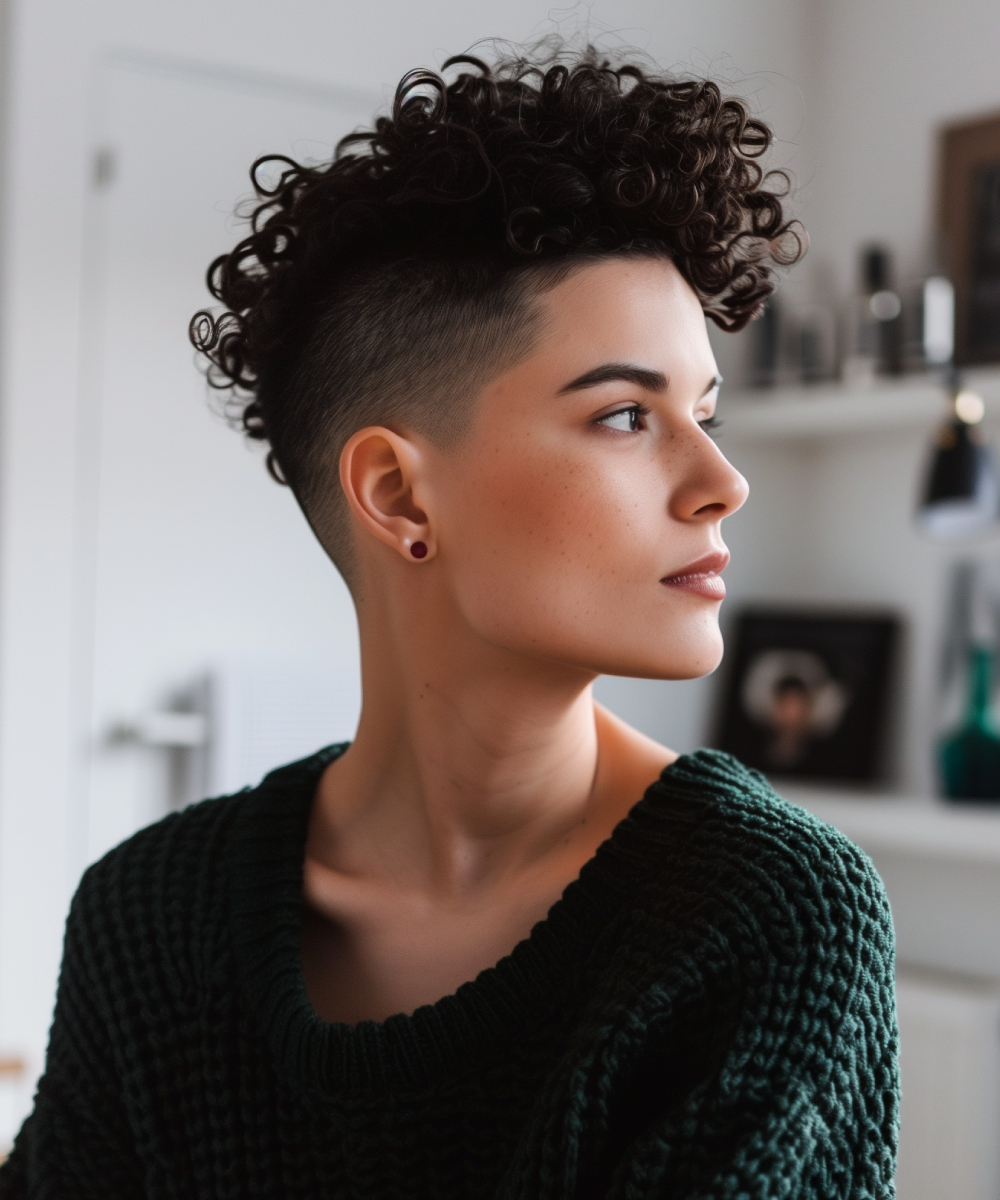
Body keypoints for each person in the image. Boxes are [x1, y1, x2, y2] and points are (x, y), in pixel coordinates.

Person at [0, 43, 898, 1198]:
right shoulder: (149, 917)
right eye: (628, 415)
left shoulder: (764, 915)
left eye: (705, 412)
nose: (720, 480)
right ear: (399, 496)